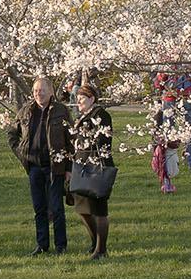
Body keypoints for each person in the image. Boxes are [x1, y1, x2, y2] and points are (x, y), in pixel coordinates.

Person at [6, 76, 72, 255]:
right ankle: (42, 245)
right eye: (36, 90)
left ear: (50, 92)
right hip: (34, 166)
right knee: (39, 208)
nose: (38, 94)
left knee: (57, 208)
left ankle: (61, 246)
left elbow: (71, 139)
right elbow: (12, 133)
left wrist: (69, 168)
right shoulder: (26, 111)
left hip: (55, 166)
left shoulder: (61, 111)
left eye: (42, 90)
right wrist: (22, 154)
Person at [68, 84, 114, 259]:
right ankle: (95, 243)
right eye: (77, 98)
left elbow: (102, 141)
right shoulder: (82, 117)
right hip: (81, 167)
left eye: (82, 98)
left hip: (96, 168)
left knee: (99, 210)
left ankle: (101, 250)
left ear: (92, 99)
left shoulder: (101, 115)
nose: (78, 101)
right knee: (82, 209)